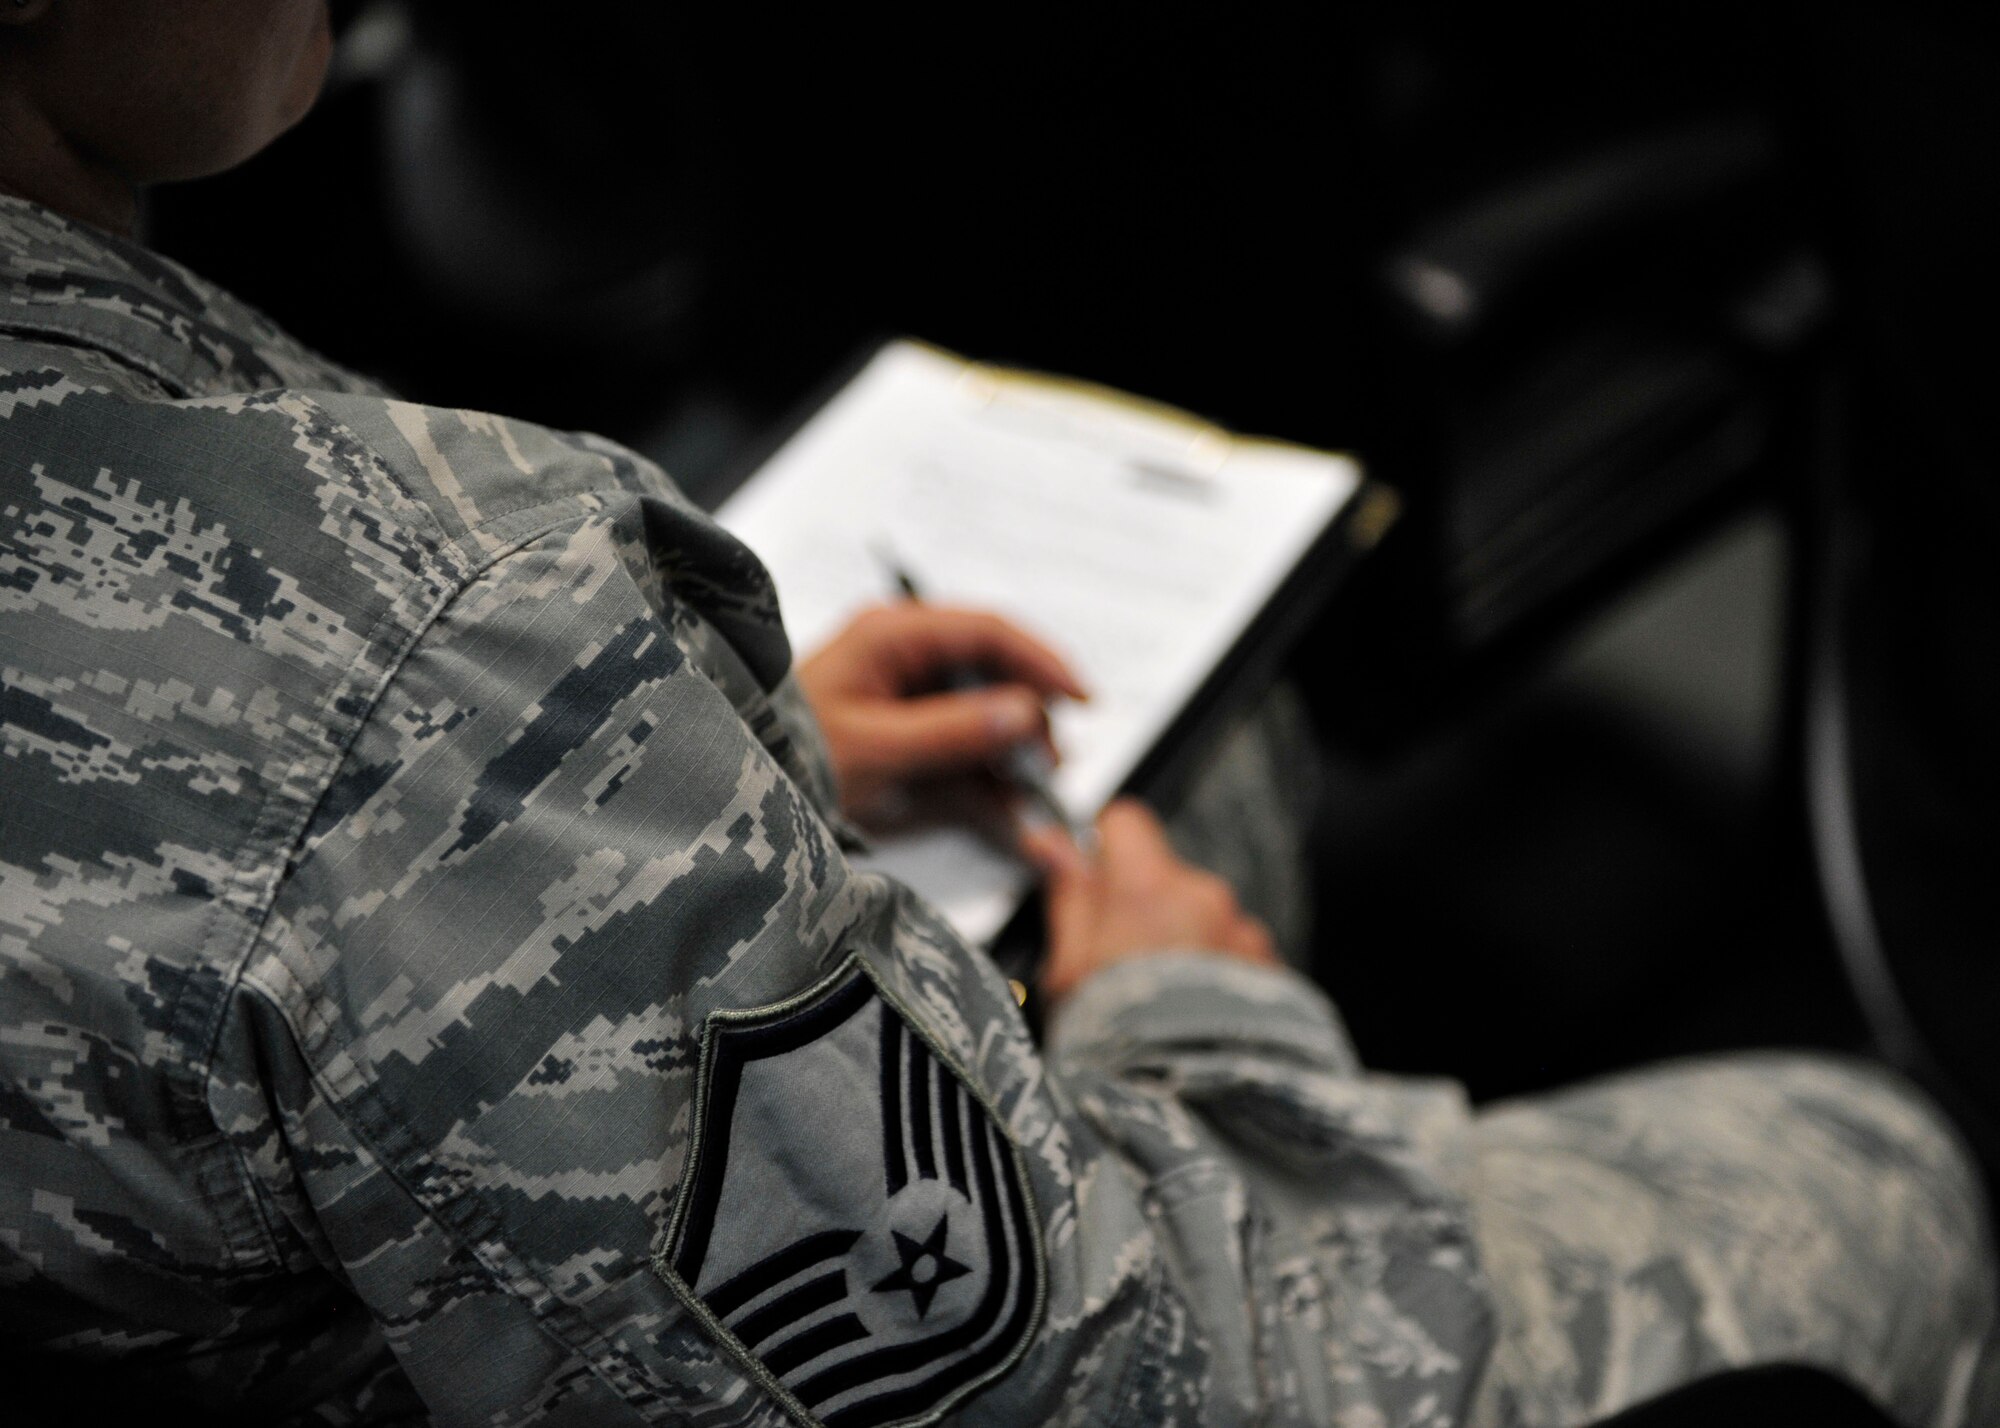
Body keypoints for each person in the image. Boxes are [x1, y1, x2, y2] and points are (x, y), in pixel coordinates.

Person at [1, 5, 1994, 1426]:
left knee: (1196, 742)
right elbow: (1073, 1389)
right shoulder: (418, 641)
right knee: (1872, 1176)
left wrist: (695, 758)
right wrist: (1195, 1029)